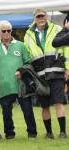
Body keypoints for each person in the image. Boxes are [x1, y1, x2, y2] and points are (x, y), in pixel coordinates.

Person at [24, 8, 69, 139]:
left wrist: (67, 68)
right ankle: (49, 133)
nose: (41, 19)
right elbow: (28, 55)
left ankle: (62, 132)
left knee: (58, 103)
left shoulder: (56, 28)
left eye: (43, 16)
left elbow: (66, 48)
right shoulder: (28, 35)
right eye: (38, 17)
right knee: (44, 106)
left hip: (56, 72)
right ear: (35, 19)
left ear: (47, 16)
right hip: (40, 75)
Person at [0, 20, 37, 139]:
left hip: (21, 84)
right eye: (4, 31)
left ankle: (32, 133)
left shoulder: (21, 45)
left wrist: (21, 71)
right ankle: (9, 134)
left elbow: (28, 63)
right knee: (6, 112)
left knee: (27, 110)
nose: (7, 33)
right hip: (4, 86)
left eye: (9, 30)